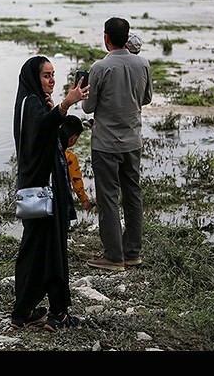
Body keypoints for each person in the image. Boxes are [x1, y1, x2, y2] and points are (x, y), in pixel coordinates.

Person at [10, 55, 88, 332]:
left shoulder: (31, 103)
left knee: (33, 251)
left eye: (53, 74)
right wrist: (66, 104)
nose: (52, 80)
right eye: (46, 75)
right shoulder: (31, 104)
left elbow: (44, 136)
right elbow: (42, 130)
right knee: (51, 251)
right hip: (43, 190)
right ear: (33, 77)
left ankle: (24, 312)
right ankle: (58, 314)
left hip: (34, 188)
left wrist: (56, 110)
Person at [82, 17, 153, 272]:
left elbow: (89, 107)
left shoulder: (100, 67)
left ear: (106, 37)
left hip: (106, 144)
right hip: (133, 141)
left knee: (109, 198)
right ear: (127, 37)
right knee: (133, 194)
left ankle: (113, 257)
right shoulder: (142, 63)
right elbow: (146, 98)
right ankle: (132, 252)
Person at [58, 115, 92, 214]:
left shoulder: (49, 148)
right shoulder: (69, 158)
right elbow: (76, 180)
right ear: (73, 138)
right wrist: (84, 199)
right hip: (61, 199)